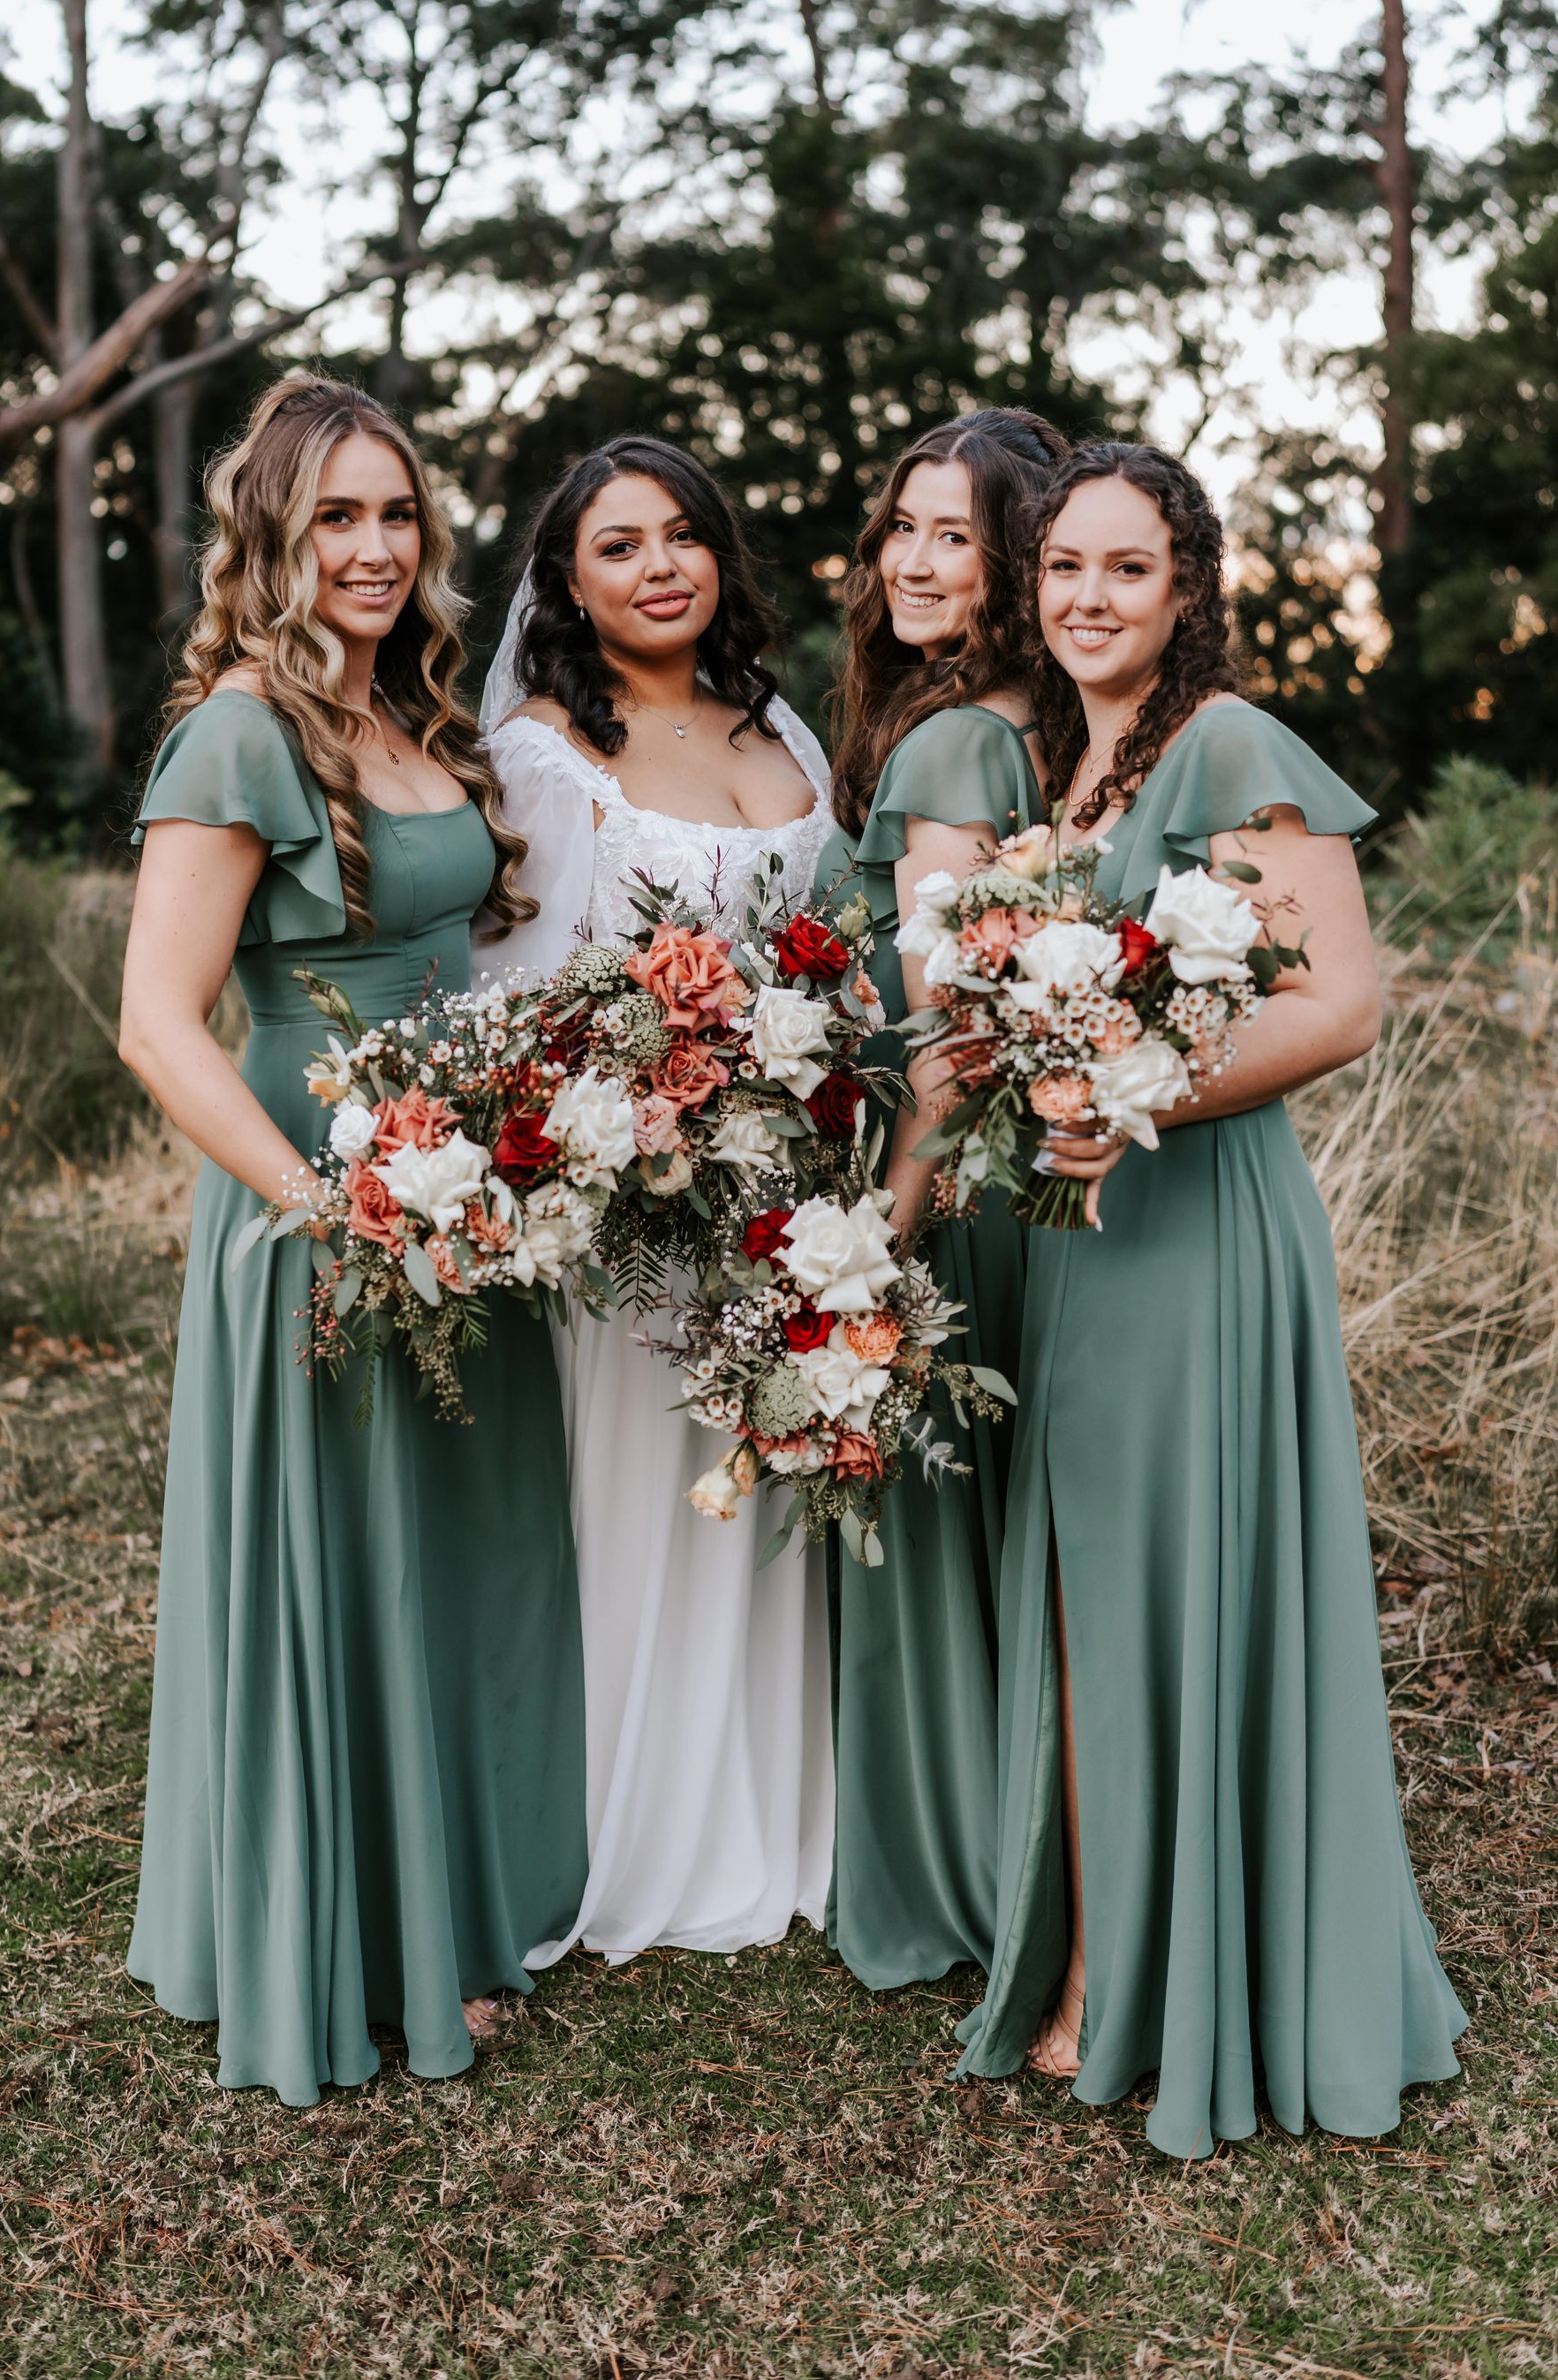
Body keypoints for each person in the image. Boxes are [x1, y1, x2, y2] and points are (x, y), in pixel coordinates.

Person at [953, 441, 1467, 2156]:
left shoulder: (1232, 747)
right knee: (1103, 1607)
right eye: (1065, 569)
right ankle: (1113, 1959)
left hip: (1200, 1231)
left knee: (1182, 1593)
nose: (1087, 598)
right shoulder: (1071, 783)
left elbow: (1339, 1005)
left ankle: (1174, 1988)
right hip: (1086, 1244)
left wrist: (1135, 1098)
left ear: (1187, 592)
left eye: (1126, 569)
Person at [119, 374, 586, 2104]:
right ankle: (353, 1942)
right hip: (319, 1202)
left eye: (399, 515)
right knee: (359, 1563)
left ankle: (450, 1905)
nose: (378, 548)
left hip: (467, 1189)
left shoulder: (416, 712)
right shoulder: (241, 731)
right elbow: (160, 1025)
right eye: (339, 517)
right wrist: (332, 1205)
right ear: (272, 535)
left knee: (457, 1557)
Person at [472, 434, 836, 1963]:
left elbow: (838, 943)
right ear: (567, 577)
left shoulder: (788, 738)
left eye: (683, 536)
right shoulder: (548, 756)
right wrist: (649, 1108)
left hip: (793, 1183)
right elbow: (515, 997)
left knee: (778, 1486)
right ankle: (638, 1828)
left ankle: (781, 1810)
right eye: (618, 545)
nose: (659, 566)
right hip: (632, 1201)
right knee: (644, 1495)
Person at [815, 406, 1069, 1989]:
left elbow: (952, 1023)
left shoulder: (952, 742)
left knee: (933, 1511)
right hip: (985, 1175)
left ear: (1013, 560)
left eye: (955, 533)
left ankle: (953, 1878)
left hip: (944, 1176)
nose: (915, 558)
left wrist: (881, 1241)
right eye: (903, 525)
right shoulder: (1014, 718)